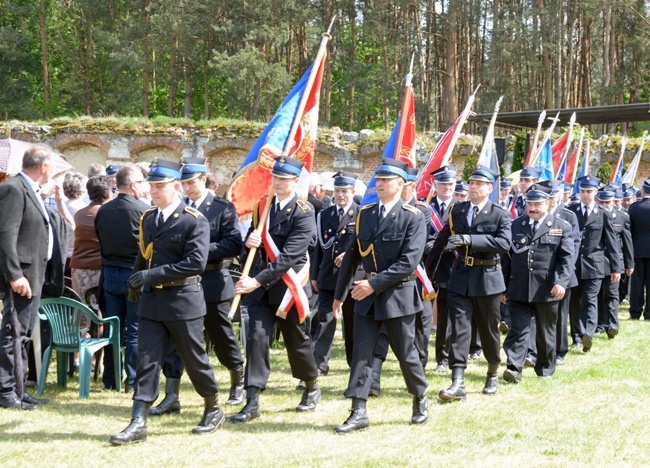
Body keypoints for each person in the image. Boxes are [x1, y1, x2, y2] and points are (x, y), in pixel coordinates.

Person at [109, 159, 223, 445]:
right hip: (152, 301)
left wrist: (149, 275)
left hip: (183, 300)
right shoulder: (149, 217)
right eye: (151, 186)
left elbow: (195, 263)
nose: (154, 191)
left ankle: (213, 407)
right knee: (146, 360)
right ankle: (138, 421)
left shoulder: (192, 219)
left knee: (194, 359)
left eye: (160, 186)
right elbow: (144, 253)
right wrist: (136, 280)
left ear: (175, 186)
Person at [332, 158, 429, 433]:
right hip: (367, 296)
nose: (381, 184)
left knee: (405, 353)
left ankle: (420, 397)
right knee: (362, 353)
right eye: (379, 179)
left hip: (397, 296)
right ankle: (358, 410)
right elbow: (352, 255)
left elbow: (408, 262)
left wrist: (373, 285)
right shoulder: (365, 214)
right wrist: (340, 294)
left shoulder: (413, 217)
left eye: (387, 180)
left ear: (401, 184)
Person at [149, 157, 245, 416]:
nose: (188, 188)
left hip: (213, 280)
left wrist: (197, 252)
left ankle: (237, 381)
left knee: (220, 334)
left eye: (192, 182)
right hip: (180, 285)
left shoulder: (222, 207)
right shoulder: (175, 207)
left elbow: (233, 244)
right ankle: (171, 395)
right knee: (175, 341)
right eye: (184, 183)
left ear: (204, 179)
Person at [231, 156, 320, 423]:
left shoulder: (304, 211)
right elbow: (253, 250)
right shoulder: (262, 206)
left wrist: (256, 281)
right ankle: (253, 399)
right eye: (276, 178)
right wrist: (250, 241)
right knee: (256, 339)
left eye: (284, 178)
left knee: (296, 341)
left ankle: (310, 385)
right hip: (261, 288)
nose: (278, 182)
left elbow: (289, 256)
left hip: (289, 286)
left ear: (295, 181)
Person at [427, 165, 511, 402]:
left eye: (479, 184)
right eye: (471, 183)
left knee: (488, 330)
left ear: (489, 188)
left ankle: (492, 371)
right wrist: (428, 275)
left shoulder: (499, 214)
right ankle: (457, 381)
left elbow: (504, 243)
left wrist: (470, 239)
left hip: (488, 280)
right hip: (461, 277)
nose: (473, 187)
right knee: (459, 331)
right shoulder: (458, 210)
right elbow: (441, 242)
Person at [501, 184, 574, 383]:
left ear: (548, 203)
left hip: (546, 288)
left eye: (537, 204)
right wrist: (503, 286)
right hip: (518, 287)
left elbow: (566, 258)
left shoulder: (561, 227)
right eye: (529, 204)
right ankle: (514, 368)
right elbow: (506, 258)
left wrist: (561, 282)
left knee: (545, 332)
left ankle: (545, 369)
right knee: (518, 329)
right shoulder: (515, 225)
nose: (532, 208)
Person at [0, 145, 54, 410]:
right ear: (44, 166)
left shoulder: (32, 190)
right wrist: (14, 275)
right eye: (50, 165)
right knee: (12, 333)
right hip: (21, 276)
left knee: (21, 334)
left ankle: (19, 389)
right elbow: (5, 235)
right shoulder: (13, 189)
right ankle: (6, 391)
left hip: (34, 274)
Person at [95, 165, 150, 392]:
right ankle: (132, 380)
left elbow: (100, 238)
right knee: (134, 328)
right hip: (132, 273)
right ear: (134, 184)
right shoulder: (143, 210)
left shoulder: (103, 210)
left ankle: (111, 378)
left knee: (112, 328)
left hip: (110, 272)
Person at [310, 171, 360, 375]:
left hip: (352, 279)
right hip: (328, 276)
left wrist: (349, 257)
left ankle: (354, 362)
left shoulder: (362, 213)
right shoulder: (325, 214)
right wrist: (314, 275)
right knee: (325, 320)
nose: (340, 195)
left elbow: (365, 247)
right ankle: (318, 364)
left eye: (345, 191)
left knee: (352, 323)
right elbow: (318, 249)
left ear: (353, 191)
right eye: (338, 190)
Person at [567, 176, 621, 352]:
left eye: (589, 192)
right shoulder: (571, 212)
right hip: (574, 266)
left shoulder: (603, 214)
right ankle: (576, 335)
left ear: (596, 192)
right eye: (582, 191)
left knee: (590, 300)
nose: (585, 195)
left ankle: (587, 334)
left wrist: (615, 268)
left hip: (595, 266)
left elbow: (612, 243)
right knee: (575, 301)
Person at [426, 166, 458, 374]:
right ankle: (419, 357)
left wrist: (438, 246)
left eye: (450, 184)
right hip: (427, 268)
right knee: (423, 315)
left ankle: (443, 359)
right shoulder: (425, 208)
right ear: (435, 186)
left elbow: (458, 240)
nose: (447, 187)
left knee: (446, 317)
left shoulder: (461, 208)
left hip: (450, 268)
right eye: (443, 183)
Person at [70, 176, 112, 308]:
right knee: (99, 311)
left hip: (78, 266)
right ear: (109, 193)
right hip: (100, 267)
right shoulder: (109, 213)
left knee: (82, 309)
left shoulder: (79, 214)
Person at [596, 188, 633, 338]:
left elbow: (627, 241)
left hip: (614, 263)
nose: (605, 205)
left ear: (613, 201)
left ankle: (612, 325)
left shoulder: (621, 217)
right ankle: (598, 325)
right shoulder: (594, 216)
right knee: (597, 295)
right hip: (597, 261)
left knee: (612, 295)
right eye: (602, 201)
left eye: (608, 202)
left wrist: (629, 264)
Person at [627, 180, 650, 320]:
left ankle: (635, 312)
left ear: (643, 191)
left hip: (637, 250)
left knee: (637, 284)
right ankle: (649, 314)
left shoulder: (634, 208)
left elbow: (630, 231)